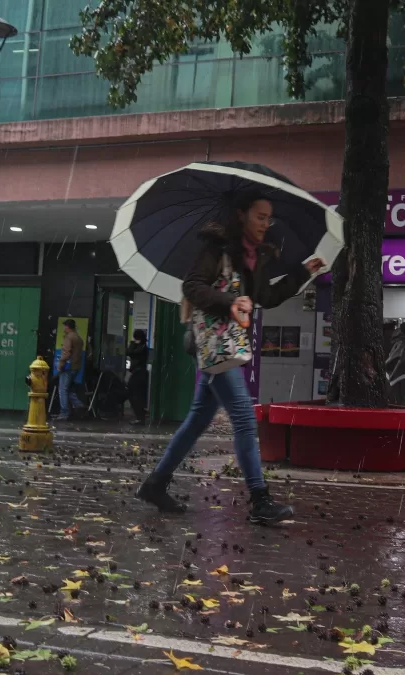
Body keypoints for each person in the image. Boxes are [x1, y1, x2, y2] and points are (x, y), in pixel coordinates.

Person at [136, 190, 324, 525]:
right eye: (259, 217)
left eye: (269, 218)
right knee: (244, 418)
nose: (265, 224)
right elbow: (193, 287)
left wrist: (302, 272)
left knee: (196, 421)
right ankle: (260, 500)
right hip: (218, 347)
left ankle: (155, 483)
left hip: (224, 348)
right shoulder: (217, 249)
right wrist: (229, 302)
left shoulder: (254, 257)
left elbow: (267, 296)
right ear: (241, 215)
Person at [56, 319, 85, 421]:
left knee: (62, 390)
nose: (64, 328)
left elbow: (66, 353)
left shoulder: (69, 337)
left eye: (65, 326)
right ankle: (78, 404)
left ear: (68, 327)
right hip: (76, 367)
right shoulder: (79, 338)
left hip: (67, 367)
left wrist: (60, 364)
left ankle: (64, 413)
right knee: (68, 388)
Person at [127, 329, 150, 425]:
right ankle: (140, 416)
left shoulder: (142, 346)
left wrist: (133, 343)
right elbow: (129, 352)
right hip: (137, 373)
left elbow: (132, 352)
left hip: (139, 373)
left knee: (136, 395)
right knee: (134, 394)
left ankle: (140, 417)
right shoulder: (139, 346)